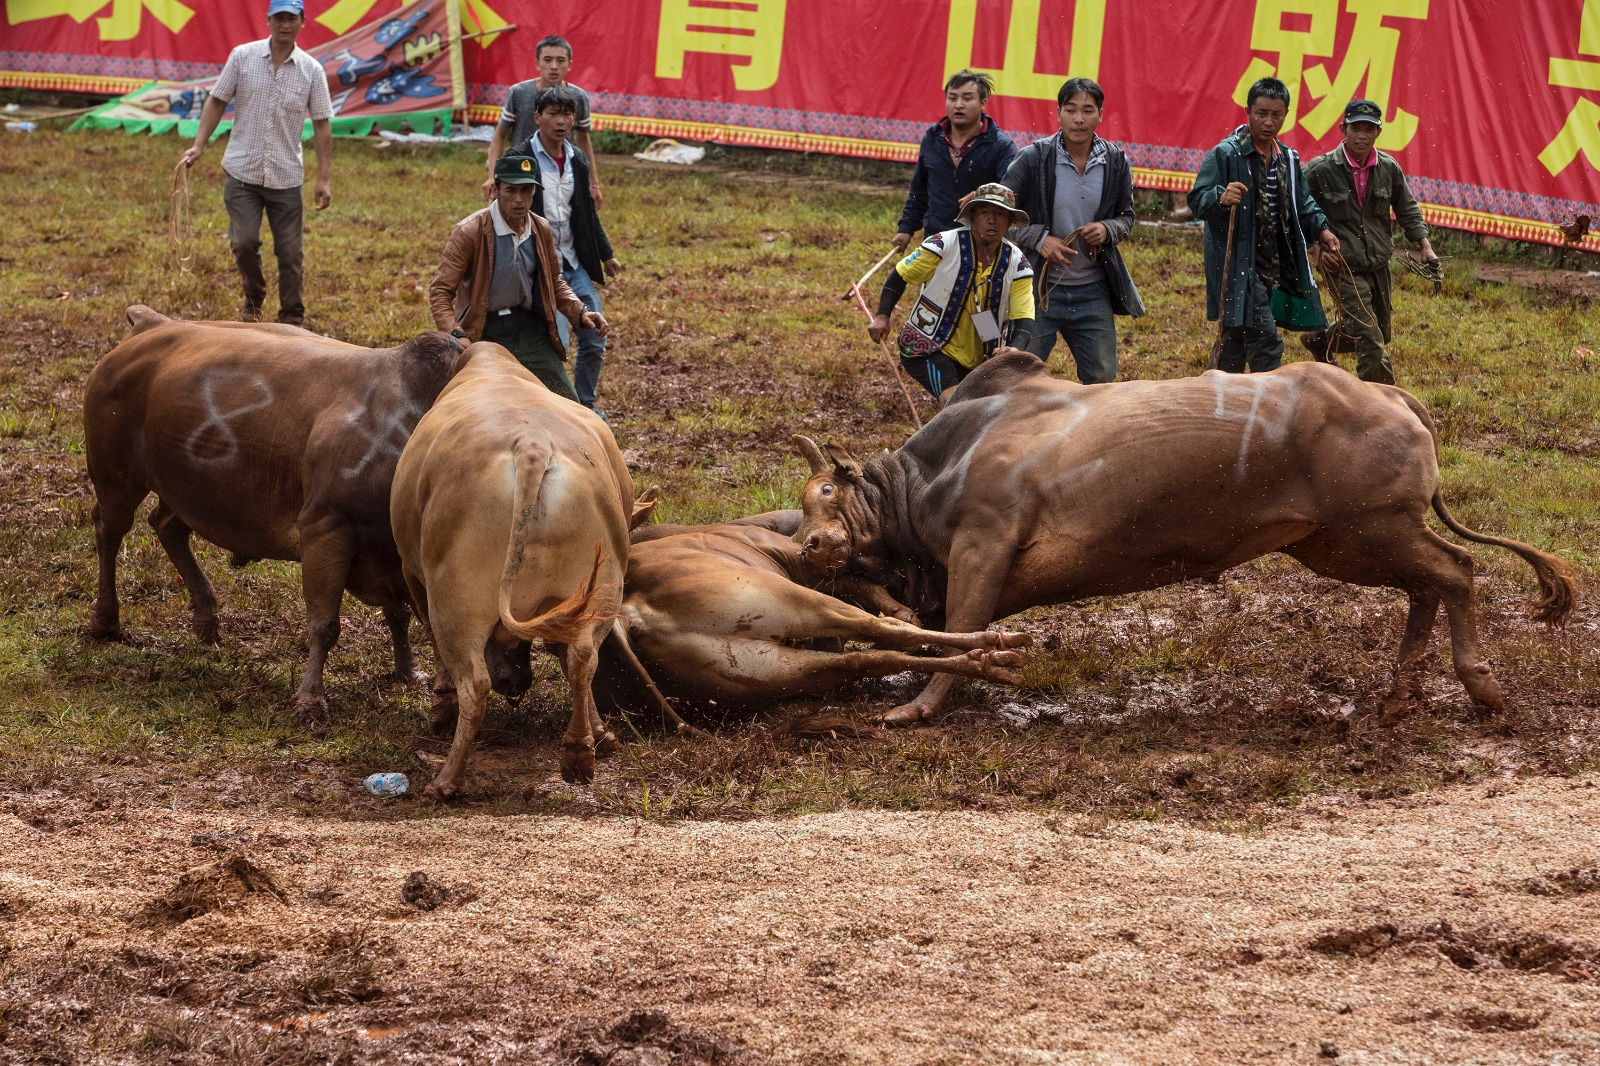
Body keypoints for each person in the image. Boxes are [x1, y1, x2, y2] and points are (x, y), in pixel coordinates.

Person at [179, 0, 332, 326]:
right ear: (268, 21)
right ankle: (254, 297)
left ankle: (291, 317)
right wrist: (198, 145)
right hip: (242, 172)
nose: (285, 25)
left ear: (303, 22)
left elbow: (322, 124)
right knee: (243, 243)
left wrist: (323, 179)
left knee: (290, 254)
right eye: (279, 18)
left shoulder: (311, 70)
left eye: (291, 18)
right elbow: (217, 101)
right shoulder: (242, 57)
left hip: (286, 177)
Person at [1187, 78, 1341, 373]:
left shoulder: (1288, 159)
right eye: (1261, 113)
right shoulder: (1227, 153)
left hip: (1274, 262)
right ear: (1248, 112)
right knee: (1265, 340)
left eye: (1276, 114)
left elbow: (1302, 203)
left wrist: (1322, 229)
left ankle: (1217, 391)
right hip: (1237, 262)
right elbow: (1197, 199)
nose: (1269, 122)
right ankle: (1268, 394)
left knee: (1235, 336)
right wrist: (1220, 198)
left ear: (1286, 115)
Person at [429, 154, 608, 402]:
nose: (519, 199)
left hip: (527, 329)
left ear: (534, 192)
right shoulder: (469, 231)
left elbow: (554, 281)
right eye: (510, 190)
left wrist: (580, 311)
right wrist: (457, 335)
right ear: (495, 190)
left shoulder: (540, 228)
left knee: (566, 401)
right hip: (483, 329)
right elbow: (440, 292)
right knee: (474, 405)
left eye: (526, 190)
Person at [1001, 77, 1143, 384]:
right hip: (1038, 288)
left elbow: (1126, 217)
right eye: (1071, 110)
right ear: (1058, 113)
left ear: (1100, 115)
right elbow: (1000, 216)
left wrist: (1107, 228)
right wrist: (1039, 239)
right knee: (1017, 376)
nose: (1079, 118)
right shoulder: (1034, 158)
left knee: (1102, 378)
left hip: (1093, 289)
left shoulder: (1115, 161)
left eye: (1088, 110)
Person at [1300, 99, 1438, 385]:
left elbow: (1407, 208)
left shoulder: (1388, 168)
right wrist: (1315, 249)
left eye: (1369, 129)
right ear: (1343, 130)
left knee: (1380, 332)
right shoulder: (1320, 170)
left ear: (1378, 132)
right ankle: (1380, 399)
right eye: (1356, 128)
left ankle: (1320, 340)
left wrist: (1425, 246)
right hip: (1341, 264)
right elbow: (1296, 211)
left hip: (1378, 263)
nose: (1362, 136)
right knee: (1370, 337)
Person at [510, 86, 621, 414]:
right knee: (553, 343)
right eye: (553, 114)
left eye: (567, 114)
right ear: (537, 117)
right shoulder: (520, 159)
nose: (560, 121)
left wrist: (606, 254)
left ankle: (585, 407)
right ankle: (554, 410)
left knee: (595, 335)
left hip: (573, 263)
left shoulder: (578, 159)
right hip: (538, 267)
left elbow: (585, 213)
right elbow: (507, 212)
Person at [869, 184, 1035, 400]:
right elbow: (901, 275)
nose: (992, 220)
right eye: (984, 212)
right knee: (956, 401)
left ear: (1010, 221)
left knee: (983, 407)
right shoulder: (941, 245)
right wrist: (882, 316)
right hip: (929, 346)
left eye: (1000, 214)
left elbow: (1024, 317)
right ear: (972, 216)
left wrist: (1015, 349)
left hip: (983, 356)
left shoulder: (1018, 264)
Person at [891, 70, 1018, 254]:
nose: (958, 105)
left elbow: (1011, 191)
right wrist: (906, 228)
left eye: (967, 98)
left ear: (983, 103)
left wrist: (982, 194)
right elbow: (919, 190)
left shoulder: (1001, 145)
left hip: (981, 245)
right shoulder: (932, 139)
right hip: (936, 241)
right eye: (952, 98)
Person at [483, 36, 604, 206]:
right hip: (522, 173)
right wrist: (492, 176)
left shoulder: (578, 97)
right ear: (537, 63)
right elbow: (500, 135)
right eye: (547, 60)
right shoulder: (519, 93)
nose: (554, 66)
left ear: (569, 64)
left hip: (561, 174)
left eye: (560, 60)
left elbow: (583, 139)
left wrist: (593, 183)